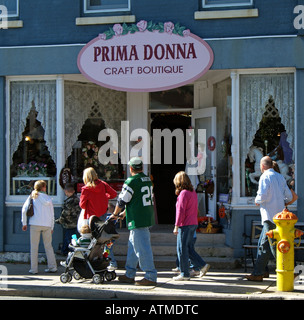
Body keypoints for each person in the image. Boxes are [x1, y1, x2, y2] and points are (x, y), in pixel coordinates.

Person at [109, 157, 157, 286]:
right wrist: (125, 212)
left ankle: (150, 276)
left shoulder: (131, 181)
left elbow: (122, 200)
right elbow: (137, 199)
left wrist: (115, 214)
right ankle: (129, 273)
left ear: (131, 168)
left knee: (142, 248)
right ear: (141, 167)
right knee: (133, 247)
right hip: (145, 216)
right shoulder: (147, 180)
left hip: (137, 219)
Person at [245, 156, 293, 281]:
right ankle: (261, 271)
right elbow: (288, 195)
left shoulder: (265, 176)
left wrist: (257, 200)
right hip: (280, 216)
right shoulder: (280, 176)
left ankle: (287, 270)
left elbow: (262, 195)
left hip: (269, 216)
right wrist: (283, 203)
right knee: (264, 244)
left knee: (272, 245)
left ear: (262, 166)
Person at [173, 171, 210, 281]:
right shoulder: (192, 192)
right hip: (193, 223)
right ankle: (202, 265)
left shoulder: (183, 193)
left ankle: (184, 273)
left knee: (182, 249)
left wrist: (176, 225)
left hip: (185, 224)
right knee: (188, 248)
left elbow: (180, 211)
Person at [21, 180, 57, 274]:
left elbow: (24, 210)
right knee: (48, 246)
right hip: (47, 225)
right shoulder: (48, 198)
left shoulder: (32, 197)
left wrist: (24, 223)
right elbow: (52, 214)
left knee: (34, 247)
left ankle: (34, 269)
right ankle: (52, 267)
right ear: (43, 187)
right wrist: (52, 227)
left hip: (35, 224)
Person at [55, 183, 81, 255]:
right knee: (72, 238)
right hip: (76, 223)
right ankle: (65, 250)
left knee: (69, 239)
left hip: (69, 224)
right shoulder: (77, 199)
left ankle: (70, 252)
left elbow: (66, 213)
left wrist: (58, 221)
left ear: (66, 191)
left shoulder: (69, 201)